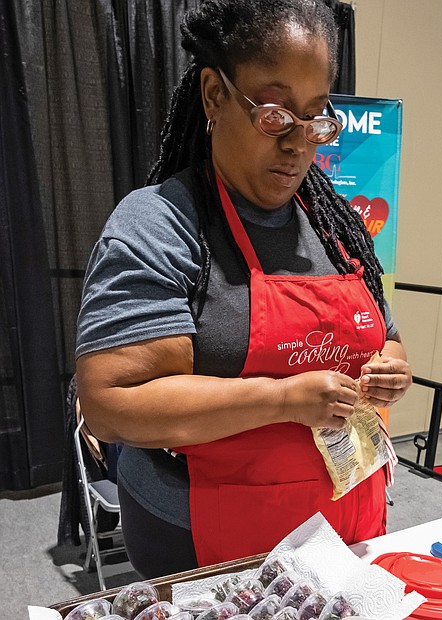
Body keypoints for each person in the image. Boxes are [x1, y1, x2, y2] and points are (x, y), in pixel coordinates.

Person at [75, 0, 412, 579]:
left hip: (347, 517)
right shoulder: (162, 225)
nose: (299, 145)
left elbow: (386, 338)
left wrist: (388, 370)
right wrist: (281, 400)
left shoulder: (335, 227)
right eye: (276, 114)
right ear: (213, 95)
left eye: (315, 119)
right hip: (209, 541)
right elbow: (110, 405)